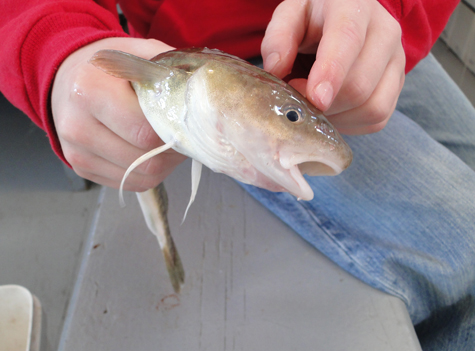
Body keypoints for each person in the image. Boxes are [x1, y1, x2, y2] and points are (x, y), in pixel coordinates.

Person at [1, 1, 474, 350]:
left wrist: (388, 10)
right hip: (211, 53)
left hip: (370, 30)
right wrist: (55, 47)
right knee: (465, 241)